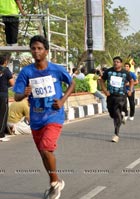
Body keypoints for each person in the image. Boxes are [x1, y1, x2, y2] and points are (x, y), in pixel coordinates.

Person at [13, 35, 75, 199]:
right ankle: (54, 181)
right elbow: (17, 96)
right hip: (36, 118)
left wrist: (62, 101)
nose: (36, 51)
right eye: (33, 48)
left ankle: (55, 183)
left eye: (39, 48)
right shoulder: (26, 72)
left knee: (46, 148)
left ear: (46, 51)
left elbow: (72, 83)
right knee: (43, 153)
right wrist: (23, 94)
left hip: (54, 116)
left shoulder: (56, 69)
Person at [99, 56, 133, 143]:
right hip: (111, 96)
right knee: (112, 114)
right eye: (114, 61)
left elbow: (132, 81)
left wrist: (130, 90)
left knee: (117, 115)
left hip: (121, 96)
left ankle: (116, 134)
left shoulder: (125, 73)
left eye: (117, 62)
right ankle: (121, 117)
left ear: (121, 63)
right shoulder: (109, 71)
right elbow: (101, 80)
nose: (116, 63)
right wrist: (105, 90)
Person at [0, 53, 15, 142]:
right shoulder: (6, 70)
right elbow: (12, 83)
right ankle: (1, 135)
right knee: (3, 115)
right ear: (5, 62)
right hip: (3, 95)